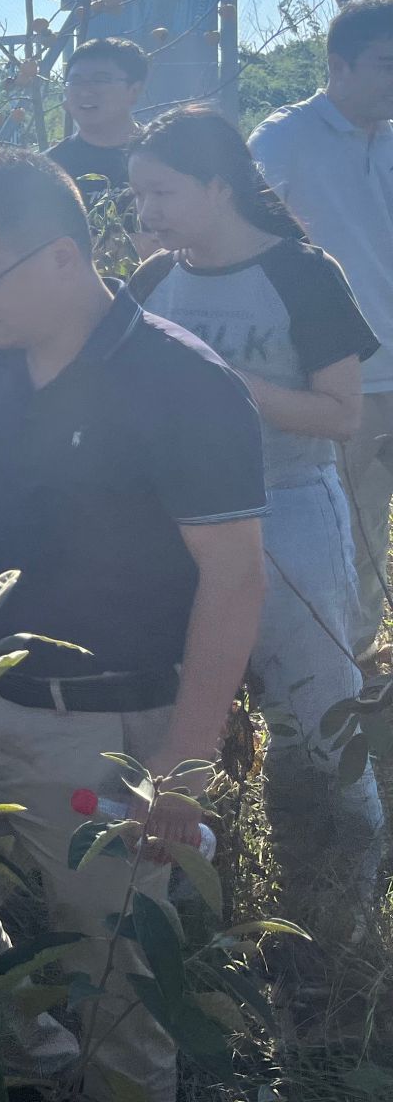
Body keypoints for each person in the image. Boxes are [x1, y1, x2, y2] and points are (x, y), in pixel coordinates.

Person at [0, 148, 266, 1101]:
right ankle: (29, 1055)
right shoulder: (6, 357)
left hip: (100, 732)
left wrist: (182, 768)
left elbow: (235, 578)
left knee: (113, 966)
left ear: (63, 257)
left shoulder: (183, 385)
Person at [126, 106, 384, 937]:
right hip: (177, 530)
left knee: (317, 721)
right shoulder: (150, 283)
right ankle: (189, 908)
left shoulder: (302, 273)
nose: (147, 213)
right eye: (138, 196)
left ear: (218, 186)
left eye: (162, 193)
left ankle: (340, 915)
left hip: (291, 514)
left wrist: (222, 378)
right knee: (180, 716)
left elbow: (341, 415)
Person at [250, 0, 393, 654]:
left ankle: (361, 661)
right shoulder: (285, 139)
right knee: (347, 531)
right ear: (339, 65)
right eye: (387, 64)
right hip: (340, 379)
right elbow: (245, 242)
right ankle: (342, 670)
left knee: (371, 530)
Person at [47, 37, 147, 202]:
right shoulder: (48, 168)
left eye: (100, 80)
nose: (85, 91)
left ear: (134, 91)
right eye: (76, 81)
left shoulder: (166, 155)